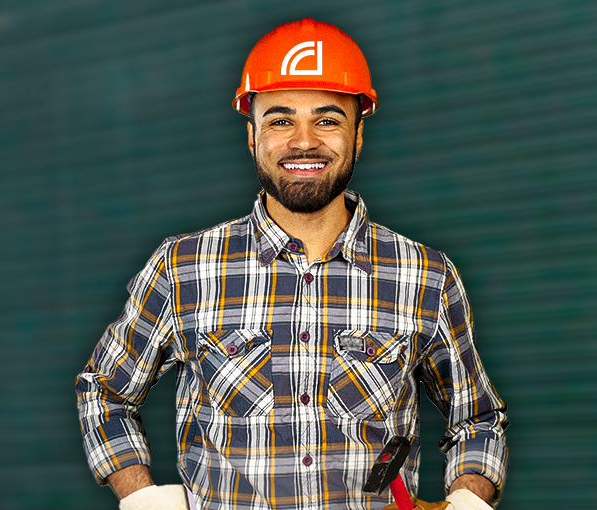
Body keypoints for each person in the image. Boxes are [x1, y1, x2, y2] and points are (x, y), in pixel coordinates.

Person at [76, 18, 508, 510]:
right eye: (281, 120)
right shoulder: (183, 268)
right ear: (252, 135)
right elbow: (104, 391)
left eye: (328, 120)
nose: (304, 141)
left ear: (358, 136)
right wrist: (142, 496)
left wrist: (467, 501)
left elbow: (476, 420)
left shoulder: (425, 276)